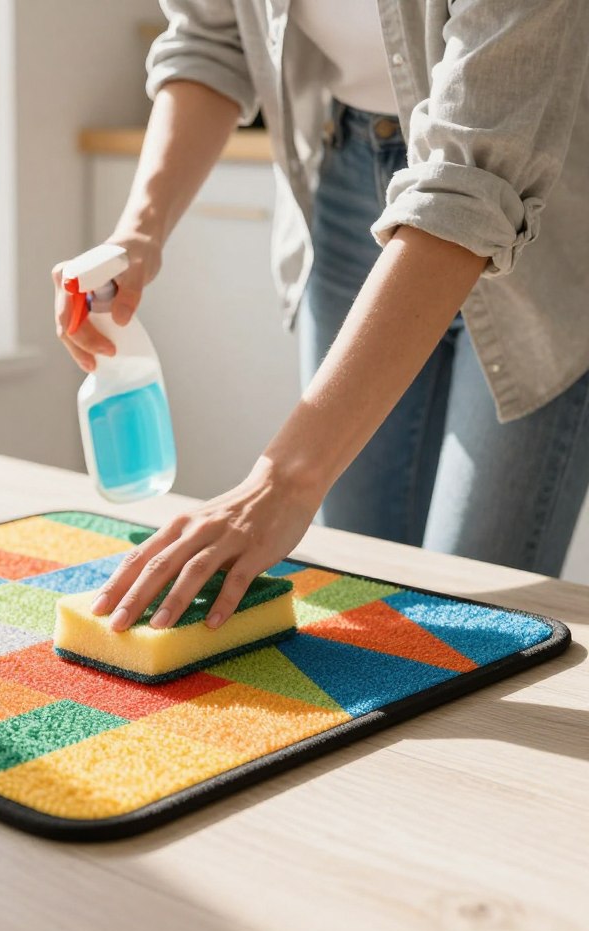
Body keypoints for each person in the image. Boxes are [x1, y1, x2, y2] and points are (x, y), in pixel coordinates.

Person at [52, 0, 589, 634]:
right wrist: (139, 232)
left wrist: (283, 481)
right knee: (359, 600)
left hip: (534, 202)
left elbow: (470, 179)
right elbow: (210, 37)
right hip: (344, 174)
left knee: (465, 625)